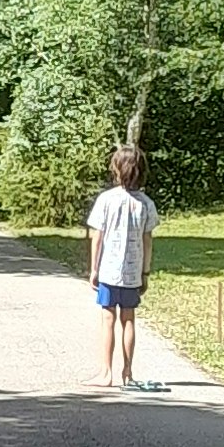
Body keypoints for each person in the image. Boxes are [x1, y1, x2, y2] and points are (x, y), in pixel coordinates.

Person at [84, 144, 160, 390]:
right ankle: (128, 372)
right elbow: (148, 239)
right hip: (132, 272)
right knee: (129, 320)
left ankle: (106, 373)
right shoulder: (146, 204)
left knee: (108, 320)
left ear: (116, 169)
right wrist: (145, 271)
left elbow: (97, 236)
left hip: (108, 270)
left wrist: (93, 269)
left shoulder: (106, 200)